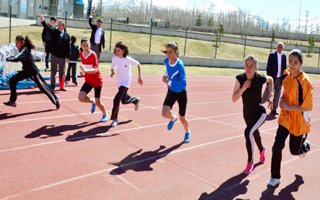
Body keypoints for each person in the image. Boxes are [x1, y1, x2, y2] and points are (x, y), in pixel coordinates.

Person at [267, 49, 313, 187]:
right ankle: (275, 177)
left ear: (301, 64)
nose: (292, 65)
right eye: (290, 61)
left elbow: (307, 107)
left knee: (294, 151)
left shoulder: (305, 82)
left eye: (296, 62)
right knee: (277, 146)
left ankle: (304, 145)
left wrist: (288, 106)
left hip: (298, 119)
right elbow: (285, 92)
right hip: (286, 117)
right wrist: (281, 100)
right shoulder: (286, 73)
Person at [232, 55, 274, 174]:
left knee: (247, 132)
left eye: (252, 66)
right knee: (254, 133)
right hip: (247, 114)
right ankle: (262, 149)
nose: (248, 68)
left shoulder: (260, 78)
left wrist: (269, 95)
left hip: (260, 113)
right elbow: (234, 99)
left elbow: (270, 79)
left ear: (256, 67)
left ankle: (250, 162)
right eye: (246, 65)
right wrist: (243, 88)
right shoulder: (240, 78)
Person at [3, 35, 60, 109]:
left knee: (43, 87)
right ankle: (12, 101)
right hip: (26, 71)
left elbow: (16, 58)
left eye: (17, 43)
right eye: (15, 43)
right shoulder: (23, 49)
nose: (16, 45)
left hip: (33, 72)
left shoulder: (25, 50)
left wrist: (7, 59)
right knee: (12, 80)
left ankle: (56, 99)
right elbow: (17, 57)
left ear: (22, 43)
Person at [161, 42, 191, 143]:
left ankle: (187, 132)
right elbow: (168, 72)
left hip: (181, 93)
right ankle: (173, 118)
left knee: (182, 118)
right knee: (164, 113)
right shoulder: (166, 61)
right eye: (167, 52)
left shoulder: (180, 65)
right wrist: (166, 77)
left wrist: (168, 81)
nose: (168, 54)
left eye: (170, 52)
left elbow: (183, 83)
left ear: (175, 52)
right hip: (171, 91)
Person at [110, 41, 143, 127]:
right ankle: (135, 100)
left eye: (118, 50)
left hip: (126, 82)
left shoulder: (128, 59)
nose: (116, 52)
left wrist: (139, 77)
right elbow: (112, 67)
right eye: (116, 50)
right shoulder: (114, 58)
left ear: (123, 50)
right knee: (123, 101)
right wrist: (112, 72)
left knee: (116, 99)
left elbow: (138, 64)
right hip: (119, 81)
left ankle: (114, 119)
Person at [78, 39, 108, 122]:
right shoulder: (81, 54)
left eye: (87, 45)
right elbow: (86, 66)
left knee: (98, 102)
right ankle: (92, 102)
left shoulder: (93, 54)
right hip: (88, 81)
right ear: (81, 46)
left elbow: (95, 70)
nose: (86, 47)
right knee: (81, 98)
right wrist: (83, 72)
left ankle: (105, 114)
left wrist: (85, 71)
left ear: (89, 45)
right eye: (84, 45)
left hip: (97, 81)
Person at [39, 14, 70, 91]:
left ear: (63, 26)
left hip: (62, 57)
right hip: (54, 55)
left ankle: (62, 86)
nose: (58, 26)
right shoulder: (54, 31)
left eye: (60, 25)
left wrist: (68, 57)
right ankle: (52, 85)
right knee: (53, 71)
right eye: (58, 25)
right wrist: (43, 21)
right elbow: (47, 28)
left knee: (62, 72)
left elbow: (68, 47)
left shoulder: (67, 36)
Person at [267, 42, 287, 115]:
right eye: (279, 46)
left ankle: (274, 109)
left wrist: (283, 78)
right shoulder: (272, 55)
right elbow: (268, 67)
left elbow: (284, 68)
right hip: (272, 78)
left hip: (279, 78)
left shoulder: (284, 56)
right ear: (277, 47)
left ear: (283, 48)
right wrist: (269, 77)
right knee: (267, 92)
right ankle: (260, 106)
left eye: (281, 47)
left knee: (277, 94)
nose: (280, 48)